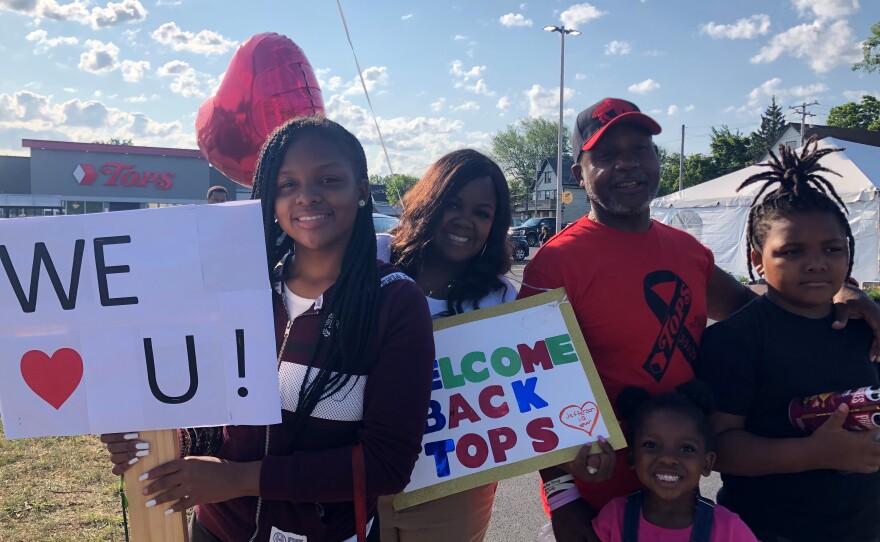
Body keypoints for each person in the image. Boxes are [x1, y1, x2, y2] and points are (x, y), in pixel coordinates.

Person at [517, 97, 880, 542]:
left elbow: (766, 308)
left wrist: (844, 290)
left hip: (682, 499)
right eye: (607, 155)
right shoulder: (555, 264)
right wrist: (562, 500)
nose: (628, 165)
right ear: (579, 173)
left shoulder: (687, 252)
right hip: (599, 497)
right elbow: (527, 391)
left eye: (640, 149)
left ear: (657, 158)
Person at [101, 116, 435, 542]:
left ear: (362, 189)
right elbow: (218, 421)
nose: (307, 197)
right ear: (270, 199)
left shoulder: (394, 302)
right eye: (287, 185)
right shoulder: (240, 289)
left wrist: (240, 479)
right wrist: (166, 441)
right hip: (216, 530)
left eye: (329, 179)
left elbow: (386, 465)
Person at [698, 139, 880, 542]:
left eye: (833, 249)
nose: (816, 262)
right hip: (765, 529)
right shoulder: (733, 340)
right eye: (792, 251)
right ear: (757, 259)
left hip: (863, 525)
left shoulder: (863, 324)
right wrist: (814, 454)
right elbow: (719, 447)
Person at [375, 149, 519, 541]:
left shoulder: (502, 298)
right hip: (362, 469)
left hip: (452, 486)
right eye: (452, 204)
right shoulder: (374, 255)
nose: (465, 221)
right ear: (429, 202)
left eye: (482, 213)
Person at [590, 382, 757, 542]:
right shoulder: (614, 519)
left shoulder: (729, 530)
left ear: (707, 463)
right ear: (632, 457)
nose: (668, 458)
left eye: (686, 449)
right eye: (651, 445)